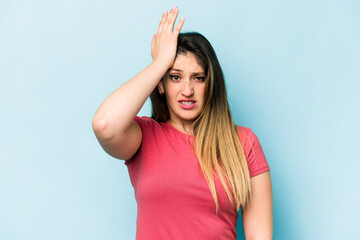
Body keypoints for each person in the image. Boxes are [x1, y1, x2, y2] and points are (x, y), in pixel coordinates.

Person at [92, 5, 273, 240]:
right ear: (161, 84)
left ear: (211, 84)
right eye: (175, 77)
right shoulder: (144, 137)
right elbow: (104, 125)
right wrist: (160, 63)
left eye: (198, 78)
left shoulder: (243, 143)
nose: (187, 90)